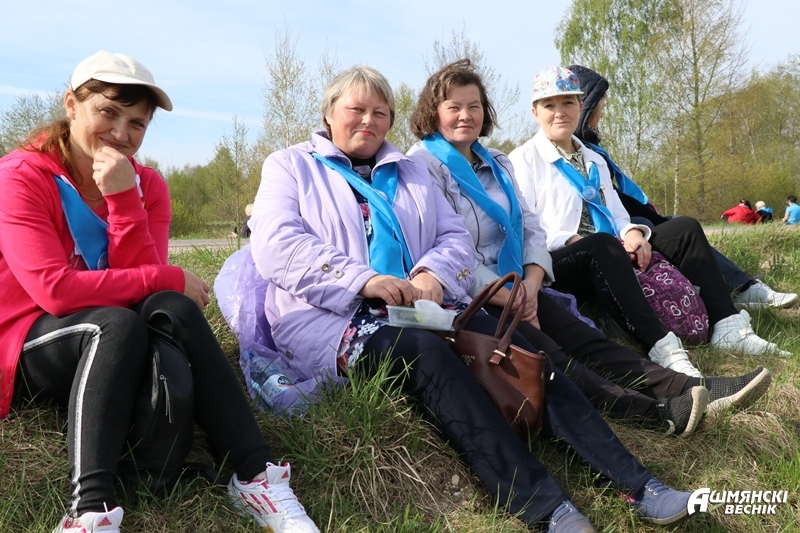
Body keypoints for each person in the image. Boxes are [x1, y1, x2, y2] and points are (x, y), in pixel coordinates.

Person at [247, 64, 705, 532]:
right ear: (328, 113)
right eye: (356, 110)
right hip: (333, 316)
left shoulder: (407, 171)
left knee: (519, 351)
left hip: (418, 307)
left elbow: (453, 238)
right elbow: (276, 244)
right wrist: (364, 280)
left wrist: (432, 273)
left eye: (380, 113)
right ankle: (546, 507)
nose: (368, 121)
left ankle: (641, 485)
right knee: (427, 355)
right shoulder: (290, 166)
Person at [0, 51, 319, 533]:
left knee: (166, 308)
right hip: (24, 341)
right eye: (108, 112)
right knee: (119, 320)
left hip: (115, 341)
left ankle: (256, 475)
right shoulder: (20, 176)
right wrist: (166, 276)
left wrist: (124, 198)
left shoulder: (147, 185)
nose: (121, 133)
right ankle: (89, 512)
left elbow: (144, 290)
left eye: (137, 123)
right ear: (71, 105)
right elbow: (56, 293)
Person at [406, 59, 771, 437]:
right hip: (476, 293)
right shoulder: (423, 166)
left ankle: (691, 387)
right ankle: (654, 413)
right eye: (453, 107)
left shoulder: (496, 161)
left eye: (474, 106)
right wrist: (512, 294)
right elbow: (446, 247)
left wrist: (531, 283)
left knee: (589, 341)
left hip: (520, 282)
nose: (466, 115)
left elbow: (529, 227)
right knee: (552, 356)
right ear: (433, 112)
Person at [508, 66, 791, 369]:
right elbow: (526, 227)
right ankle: (664, 349)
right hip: (560, 258)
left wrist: (632, 234)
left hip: (609, 248)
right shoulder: (522, 161)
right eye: (549, 105)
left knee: (684, 229)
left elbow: (616, 212)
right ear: (535, 112)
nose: (559, 112)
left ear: (580, 106)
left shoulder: (593, 159)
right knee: (601, 245)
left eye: (568, 103)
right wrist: (571, 239)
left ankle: (728, 325)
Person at [568, 64, 798, 309]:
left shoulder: (590, 150)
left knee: (668, 223)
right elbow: (603, 201)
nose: (603, 113)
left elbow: (614, 198)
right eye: (601, 105)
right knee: (666, 227)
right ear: (586, 107)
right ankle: (735, 289)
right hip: (588, 236)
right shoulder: (573, 153)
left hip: (613, 226)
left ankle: (730, 288)